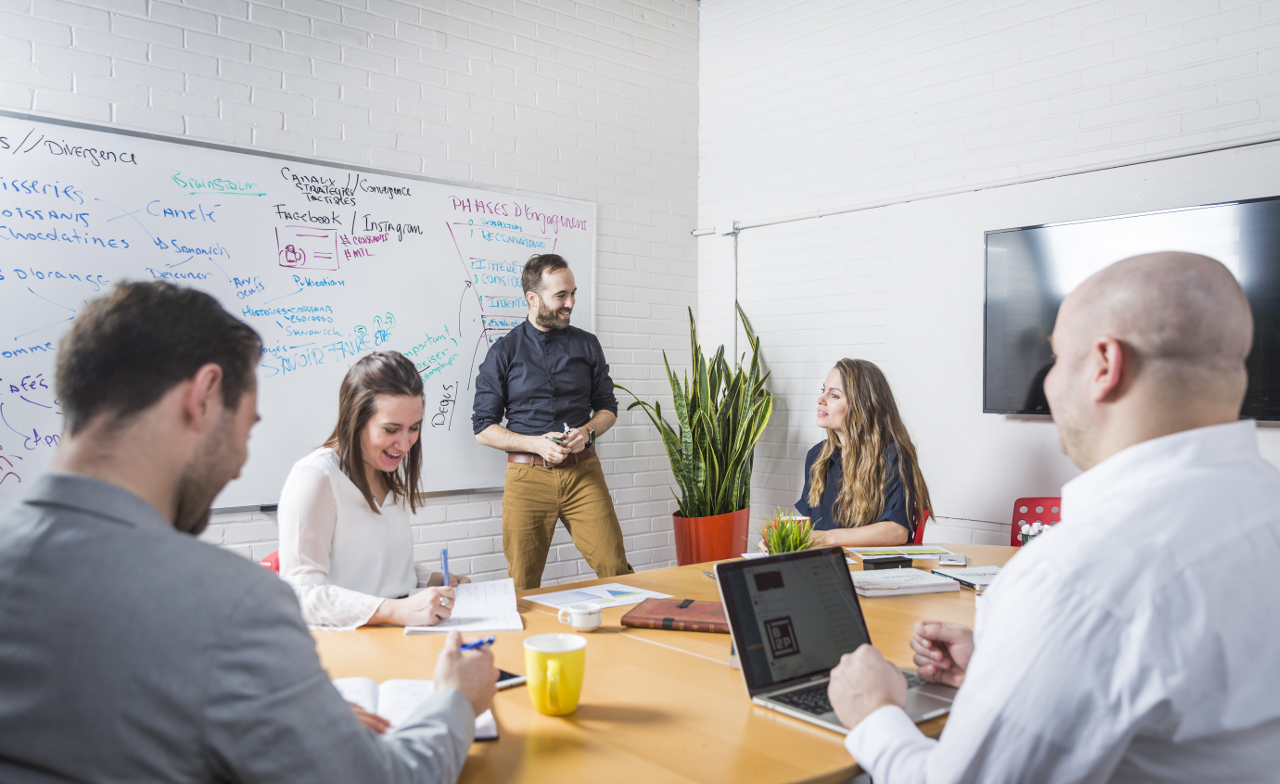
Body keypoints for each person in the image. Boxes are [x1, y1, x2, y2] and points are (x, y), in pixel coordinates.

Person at [0, 281, 497, 783]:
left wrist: (289, 712)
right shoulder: (236, 606)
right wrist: (457, 703)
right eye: (246, 425)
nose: (240, 464)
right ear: (202, 398)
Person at [828, 252, 1280, 782]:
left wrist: (875, 712)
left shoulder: (1078, 576)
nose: (1046, 383)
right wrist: (1014, 665)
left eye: (1058, 359)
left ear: (1105, 366)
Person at [472, 253, 633, 590]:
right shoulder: (503, 352)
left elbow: (608, 407)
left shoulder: (588, 345)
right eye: (560, 295)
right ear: (533, 298)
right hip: (526, 478)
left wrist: (588, 432)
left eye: (572, 293)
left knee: (615, 567)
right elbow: (483, 428)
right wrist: (535, 444)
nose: (570, 303)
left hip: (583, 473)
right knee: (522, 583)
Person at [277, 351, 470, 630]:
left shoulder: (386, 472)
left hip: (398, 637)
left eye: (413, 428)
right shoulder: (317, 477)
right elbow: (301, 595)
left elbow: (375, 566)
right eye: (391, 430)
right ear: (355, 421)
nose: (404, 445)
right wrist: (394, 610)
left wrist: (430, 580)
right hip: (347, 648)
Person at [780, 359, 932, 549]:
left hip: (869, 572)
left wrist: (825, 539)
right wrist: (780, 540)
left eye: (834, 395)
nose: (821, 399)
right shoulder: (817, 456)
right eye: (823, 391)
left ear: (863, 406)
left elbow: (897, 531)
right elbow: (805, 523)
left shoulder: (893, 456)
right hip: (824, 566)